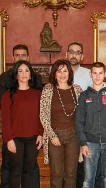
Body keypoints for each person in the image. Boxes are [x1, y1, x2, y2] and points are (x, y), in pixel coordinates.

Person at [0, 44, 42, 188]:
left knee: (29, 172)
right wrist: (8, 139)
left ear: (30, 74)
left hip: (32, 139)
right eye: (20, 71)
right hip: (15, 139)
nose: (24, 74)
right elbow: (6, 119)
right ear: (16, 74)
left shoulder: (37, 94)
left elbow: (41, 117)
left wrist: (41, 134)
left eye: (27, 71)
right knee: (15, 172)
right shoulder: (8, 94)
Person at [76, 62, 106, 188]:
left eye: (100, 73)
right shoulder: (84, 96)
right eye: (95, 73)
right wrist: (83, 143)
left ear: (105, 74)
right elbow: (79, 121)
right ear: (90, 74)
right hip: (90, 143)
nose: (97, 76)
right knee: (88, 179)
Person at [40, 59, 82, 188]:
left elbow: (82, 114)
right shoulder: (48, 90)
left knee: (71, 173)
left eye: (65, 71)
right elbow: (43, 115)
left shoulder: (77, 90)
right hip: (55, 135)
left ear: (70, 73)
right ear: (54, 73)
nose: (62, 74)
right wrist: (52, 135)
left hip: (73, 136)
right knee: (57, 173)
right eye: (59, 71)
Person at [66, 42, 92, 188]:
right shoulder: (60, 71)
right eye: (71, 52)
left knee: (82, 161)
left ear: (82, 56)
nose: (74, 55)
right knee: (67, 162)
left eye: (77, 52)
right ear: (67, 54)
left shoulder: (88, 74)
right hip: (64, 124)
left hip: (83, 124)